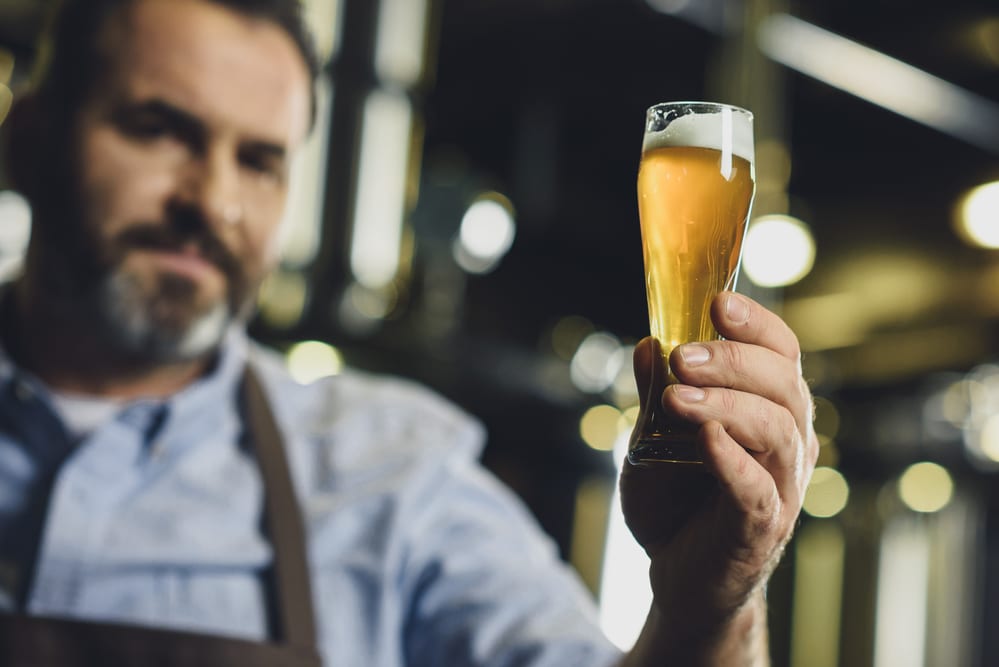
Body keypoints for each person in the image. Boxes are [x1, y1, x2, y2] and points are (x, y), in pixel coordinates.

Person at [0, 0, 819, 664]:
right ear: (29, 139)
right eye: (159, 128)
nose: (213, 201)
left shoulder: (392, 473)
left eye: (259, 159)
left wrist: (709, 611)